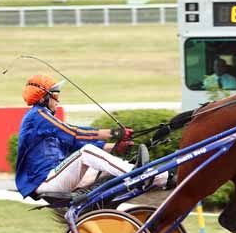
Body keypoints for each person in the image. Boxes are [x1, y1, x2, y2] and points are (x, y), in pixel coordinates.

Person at [15, 74, 168, 200]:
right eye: (55, 94)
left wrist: (114, 147)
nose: (58, 99)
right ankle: (138, 175)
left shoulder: (46, 120)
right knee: (87, 152)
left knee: (110, 166)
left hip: (57, 177)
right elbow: (75, 133)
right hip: (45, 181)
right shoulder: (38, 116)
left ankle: (163, 177)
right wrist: (114, 133)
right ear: (43, 98)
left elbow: (76, 144)